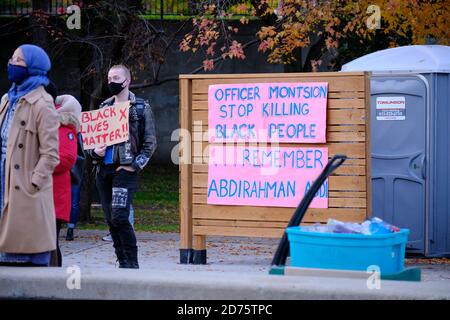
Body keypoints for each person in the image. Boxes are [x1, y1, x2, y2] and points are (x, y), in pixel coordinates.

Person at [89, 64, 156, 268]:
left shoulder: (141, 107)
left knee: (120, 216)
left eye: (116, 77)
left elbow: (150, 143)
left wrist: (134, 166)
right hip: (104, 170)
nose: (111, 82)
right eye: (109, 78)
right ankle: (122, 260)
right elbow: (92, 143)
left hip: (125, 170)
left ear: (127, 80)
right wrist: (95, 152)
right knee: (110, 219)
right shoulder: (104, 108)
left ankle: (131, 262)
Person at [0, 44, 59, 267]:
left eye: (18, 60)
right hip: (3, 175)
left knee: (24, 257)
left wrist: (33, 182)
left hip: (24, 186)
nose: (11, 64)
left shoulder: (42, 104)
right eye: (11, 58)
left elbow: (51, 154)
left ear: (33, 67)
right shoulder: (8, 98)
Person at [47, 87, 80, 266]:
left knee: (50, 243)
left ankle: (53, 282)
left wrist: (38, 165)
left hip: (54, 196)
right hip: (42, 194)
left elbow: (67, 158)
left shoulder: (64, 125)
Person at [66, 130, 86, 241]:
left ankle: (70, 229)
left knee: (73, 202)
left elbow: (81, 154)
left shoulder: (77, 133)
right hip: (63, 170)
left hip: (74, 170)